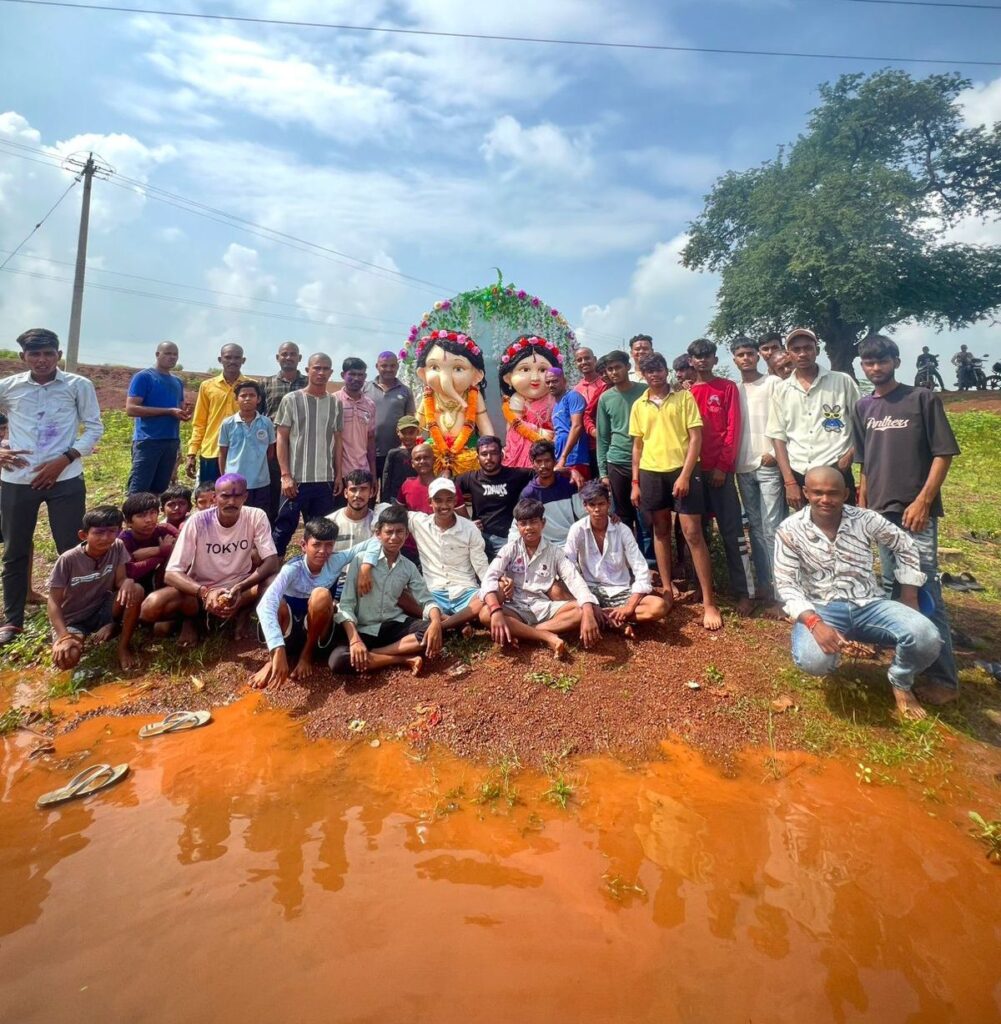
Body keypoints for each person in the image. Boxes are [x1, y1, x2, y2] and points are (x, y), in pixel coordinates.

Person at [774, 466, 942, 722]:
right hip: (821, 607)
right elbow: (786, 583)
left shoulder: (865, 519)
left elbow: (905, 544)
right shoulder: (789, 530)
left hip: (870, 604)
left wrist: (909, 596)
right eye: (817, 492)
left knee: (927, 636)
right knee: (813, 660)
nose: (825, 499)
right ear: (806, 492)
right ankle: (834, 653)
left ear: (846, 494)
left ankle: (901, 681)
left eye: (833, 493)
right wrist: (814, 623)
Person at [854, 334, 961, 706]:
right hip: (881, 512)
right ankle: (902, 658)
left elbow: (943, 454)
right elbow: (865, 462)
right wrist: (864, 502)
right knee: (891, 585)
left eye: (882, 360)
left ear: (896, 362)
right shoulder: (863, 407)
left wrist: (923, 501)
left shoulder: (921, 399)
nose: (875, 368)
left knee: (924, 589)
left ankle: (944, 678)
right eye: (869, 362)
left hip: (916, 513)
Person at [0, 328, 103, 646]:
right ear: (23, 357)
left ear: (58, 355)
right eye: (35, 354)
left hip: (66, 479)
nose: (42, 360)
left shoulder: (77, 385)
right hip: (18, 480)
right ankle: (12, 620)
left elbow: (94, 427)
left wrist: (64, 459)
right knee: (15, 550)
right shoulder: (8, 387)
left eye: (48, 353)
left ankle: (73, 617)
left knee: (71, 548)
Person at [629, 352, 722, 630]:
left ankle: (709, 602)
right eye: (649, 371)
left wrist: (684, 475)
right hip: (651, 472)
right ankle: (668, 590)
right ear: (643, 375)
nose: (655, 375)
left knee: (692, 533)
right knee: (660, 531)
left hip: (683, 470)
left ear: (666, 370)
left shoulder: (684, 398)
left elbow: (695, 438)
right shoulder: (639, 404)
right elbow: (637, 446)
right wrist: (635, 482)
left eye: (659, 369)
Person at [141, 473, 279, 647]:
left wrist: (240, 587)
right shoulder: (198, 521)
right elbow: (171, 574)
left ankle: (243, 612)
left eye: (237, 496)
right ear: (215, 497)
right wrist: (206, 593)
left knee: (274, 582)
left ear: (245, 496)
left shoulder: (255, 516)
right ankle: (192, 619)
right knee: (150, 608)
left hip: (240, 590)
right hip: (199, 592)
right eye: (225, 496)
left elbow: (272, 561)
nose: (231, 502)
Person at [251, 518, 381, 689]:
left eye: (329, 545)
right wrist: (277, 648)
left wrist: (366, 568)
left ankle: (307, 655)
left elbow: (374, 541)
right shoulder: (292, 568)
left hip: (317, 630)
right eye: (316, 544)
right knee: (276, 602)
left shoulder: (336, 560)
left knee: (321, 595)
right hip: (289, 628)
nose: (323, 551)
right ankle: (273, 659)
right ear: (304, 545)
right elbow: (265, 605)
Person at [328, 505, 444, 677]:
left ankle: (376, 653)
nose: (394, 537)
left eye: (399, 532)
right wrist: (355, 640)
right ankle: (400, 659)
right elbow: (346, 605)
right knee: (338, 660)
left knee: (430, 632)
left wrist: (435, 622)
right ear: (378, 534)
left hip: (393, 625)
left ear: (407, 534)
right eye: (389, 532)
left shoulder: (408, 567)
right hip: (364, 628)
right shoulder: (360, 562)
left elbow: (426, 600)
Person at [478, 497, 601, 659]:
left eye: (533, 522)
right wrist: (495, 610)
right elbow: (489, 578)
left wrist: (588, 610)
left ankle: (526, 632)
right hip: (516, 607)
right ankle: (546, 636)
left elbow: (574, 579)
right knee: (485, 613)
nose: (529, 528)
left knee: (581, 610)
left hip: (544, 607)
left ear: (543, 523)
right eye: (523, 523)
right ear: (517, 526)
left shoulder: (555, 552)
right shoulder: (510, 549)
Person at [687, 338, 750, 614]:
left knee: (732, 532)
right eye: (697, 356)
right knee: (696, 533)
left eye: (707, 355)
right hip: (694, 473)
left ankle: (744, 592)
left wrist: (723, 467)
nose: (702, 360)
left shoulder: (727, 388)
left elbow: (733, 429)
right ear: (691, 361)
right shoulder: (686, 393)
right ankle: (702, 588)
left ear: (715, 359)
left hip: (719, 473)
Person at [766, 327, 859, 511]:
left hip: (836, 467)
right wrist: (790, 482)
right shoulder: (781, 390)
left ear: (817, 350)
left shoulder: (842, 381)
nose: (802, 353)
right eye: (796, 349)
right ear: (789, 354)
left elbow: (862, 423)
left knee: (845, 524)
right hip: (799, 471)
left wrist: (850, 455)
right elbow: (778, 437)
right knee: (806, 527)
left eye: (808, 348)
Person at [564, 481, 668, 635]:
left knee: (658, 606)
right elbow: (568, 566)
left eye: (601, 504)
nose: (597, 509)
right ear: (585, 506)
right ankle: (610, 619)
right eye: (592, 505)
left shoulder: (622, 530)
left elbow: (640, 568)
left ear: (608, 504)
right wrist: (587, 599)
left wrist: (629, 607)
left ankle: (605, 618)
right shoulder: (577, 529)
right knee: (559, 591)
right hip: (590, 590)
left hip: (620, 590)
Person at [47, 505, 143, 672]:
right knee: (68, 658)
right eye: (98, 532)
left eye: (112, 531)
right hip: (74, 620)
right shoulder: (68, 560)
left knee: (137, 589)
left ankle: (123, 646)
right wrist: (64, 636)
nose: (105, 538)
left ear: (119, 531)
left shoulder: (117, 546)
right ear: (83, 535)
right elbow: (53, 601)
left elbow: (120, 580)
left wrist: (127, 581)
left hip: (102, 608)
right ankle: (107, 628)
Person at [272, 352, 344, 557]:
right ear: (307, 370)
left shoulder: (335, 403)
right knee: (284, 529)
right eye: (317, 368)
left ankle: (314, 573)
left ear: (331, 372)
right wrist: (285, 475)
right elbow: (282, 437)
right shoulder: (291, 400)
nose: (321, 372)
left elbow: (338, 441)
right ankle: (273, 572)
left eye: (325, 369)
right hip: (296, 480)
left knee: (320, 533)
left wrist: (338, 475)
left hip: (324, 480)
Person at [731, 336, 784, 606]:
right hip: (743, 466)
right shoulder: (735, 389)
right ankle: (764, 583)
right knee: (755, 528)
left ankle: (782, 590)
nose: (746, 358)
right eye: (741, 355)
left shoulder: (773, 383)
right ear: (734, 359)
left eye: (750, 353)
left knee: (773, 527)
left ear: (757, 356)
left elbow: (785, 419)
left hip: (768, 463)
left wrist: (774, 454)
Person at [402, 477, 490, 631]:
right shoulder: (418, 522)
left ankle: (443, 624)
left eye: (449, 500)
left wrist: (491, 587)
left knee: (490, 596)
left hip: (466, 592)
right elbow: (385, 515)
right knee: (401, 596)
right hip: (433, 593)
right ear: (430, 502)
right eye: (438, 500)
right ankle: (460, 622)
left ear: (455, 501)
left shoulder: (470, 528)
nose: (444, 505)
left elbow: (481, 565)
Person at [596, 349, 649, 543]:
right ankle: (627, 556)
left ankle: (648, 558)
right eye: (609, 369)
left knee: (645, 515)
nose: (613, 372)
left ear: (627, 367)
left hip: (645, 461)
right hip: (617, 462)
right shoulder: (605, 398)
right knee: (623, 516)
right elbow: (602, 437)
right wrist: (603, 472)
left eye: (617, 367)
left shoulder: (645, 391)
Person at [125, 341, 189, 495]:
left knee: (161, 490)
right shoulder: (144, 377)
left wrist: (184, 413)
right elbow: (131, 409)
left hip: (171, 440)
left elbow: (179, 408)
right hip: (148, 441)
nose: (172, 357)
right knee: (139, 491)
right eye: (167, 353)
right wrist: (168, 411)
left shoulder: (177, 381)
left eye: (175, 354)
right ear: (157, 354)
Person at [455, 435, 533, 559]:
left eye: (493, 453)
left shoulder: (516, 475)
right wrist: (466, 522)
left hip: (507, 539)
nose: (489, 458)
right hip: (480, 538)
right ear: (478, 457)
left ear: (501, 455)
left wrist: (565, 470)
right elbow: (445, 491)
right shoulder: (470, 478)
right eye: (484, 454)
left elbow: (543, 473)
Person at [185, 343, 251, 484]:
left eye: (237, 358)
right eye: (228, 357)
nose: (232, 361)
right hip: (212, 451)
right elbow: (199, 422)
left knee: (240, 494)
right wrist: (192, 453)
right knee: (210, 494)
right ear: (220, 360)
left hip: (242, 454)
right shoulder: (207, 386)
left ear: (243, 360)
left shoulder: (251, 386)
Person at [261, 341, 307, 521]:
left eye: (293, 354)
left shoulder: (308, 383)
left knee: (301, 491)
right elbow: (260, 416)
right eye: (284, 354)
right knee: (273, 491)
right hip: (273, 448)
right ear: (277, 357)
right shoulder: (266, 383)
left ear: (299, 358)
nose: (288, 357)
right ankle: (272, 530)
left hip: (301, 447)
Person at [217, 380, 276, 514]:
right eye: (243, 395)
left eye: (252, 395)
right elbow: (223, 453)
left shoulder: (266, 423)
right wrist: (225, 478)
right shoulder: (228, 424)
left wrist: (259, 467)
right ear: (236, 399)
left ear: (258, 399)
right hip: (235, 483)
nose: (247, 398)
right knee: (237, 516)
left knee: (259, 516)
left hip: (261, 482)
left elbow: (270, 451)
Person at [498, 337, 557, 469]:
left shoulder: (554, 397)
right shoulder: (518, 398)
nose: (535, 378)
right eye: (525, 370)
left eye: (543, 370)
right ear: (508, 378)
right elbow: (515, 424)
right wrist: (538, 432)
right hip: (526, 442)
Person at [364, 351, 416, 484]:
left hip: (396, 452)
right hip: (368, 453)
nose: (388, 369)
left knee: (391, 492)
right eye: (384, 366)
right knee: (369, 490)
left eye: (392, 366)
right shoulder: (365, 389)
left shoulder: (405, 391)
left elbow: (410, 421)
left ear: (397, 366)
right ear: (377, 366)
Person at [518, 439, 582, 546]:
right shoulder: (528, 494)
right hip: (545, 546)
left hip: (572, 541)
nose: (543, 465)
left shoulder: (568, 483)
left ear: (554, 461)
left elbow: (583, 514)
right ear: (533, 464)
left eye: (547, 460)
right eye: (539, 461)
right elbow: (522, 524)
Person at [326, 469, 376, 596]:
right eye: (353, 489)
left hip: (368, 583)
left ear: (371, 492)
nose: (357, 495)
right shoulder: (330, 522)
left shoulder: (377, 524)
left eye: (363, 489)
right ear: (345, 493)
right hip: (335, 583)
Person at [119, 491, 178, 594]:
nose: (149, 519)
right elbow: (130, 572)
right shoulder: (123, 541)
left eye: (152, 513)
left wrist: (153, 553)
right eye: (141, 516)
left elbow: (187, 547)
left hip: (162, 583)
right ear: (128, 522)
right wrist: (161, 551)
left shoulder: (165, 529)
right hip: (135, 588)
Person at [334, 357, 377, 481]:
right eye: (352, 374)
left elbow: (370, 440)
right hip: (340, 474)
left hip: (363, 472)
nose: (356, 378)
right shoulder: (333, 401)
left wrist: (373, 474)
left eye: (360, 375)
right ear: (343, 375)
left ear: (365, 377)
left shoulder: (370, 405)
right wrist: (337, 474)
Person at [547, 366, 590, 487]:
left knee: (581, 496)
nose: (551, 385)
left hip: (576, 460)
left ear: (564, 381)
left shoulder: (573, 397)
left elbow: (577, 426)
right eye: (548, 382)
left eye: (555, 381)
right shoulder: (555, 406)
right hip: (561, 462)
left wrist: (564, 457)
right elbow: (559, 432)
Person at [573, 347, 608, 477]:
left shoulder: (606, 383)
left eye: (587, 358)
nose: (583, 362)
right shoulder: (576, 390)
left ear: (595, 359)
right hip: (588, 447)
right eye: (579, 360)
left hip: (608, 443)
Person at [379, 414, 421, 504]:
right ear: (398, 432)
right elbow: (386, 478)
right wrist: (385, 501)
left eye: (411, 432)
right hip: (395, 497)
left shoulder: (421, 453)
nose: (407, 436)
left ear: (417, 432)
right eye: (404, 433)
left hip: (415, 495)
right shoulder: (393, 454)